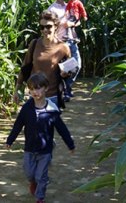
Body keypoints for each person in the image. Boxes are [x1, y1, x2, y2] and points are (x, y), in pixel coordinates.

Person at [6, 72, 75, 203]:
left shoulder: (52, 110)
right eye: (31, 89)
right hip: (29, 149)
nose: (35, 92)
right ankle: (33, 182)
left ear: (46, 88)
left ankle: (40, 198)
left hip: (45, 150)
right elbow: (18, 125)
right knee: (29, 173)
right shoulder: (26, 109)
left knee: (41, 176)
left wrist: (70, 144)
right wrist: (10, 140)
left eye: (38, 88)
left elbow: (62, 129)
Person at [13, 10, 71, 108]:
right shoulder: (34, 44)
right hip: (34, 95)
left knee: (49, 123)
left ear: (56, 26)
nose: (45, 30)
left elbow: (70, 70)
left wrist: (65, 74)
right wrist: (17, 90)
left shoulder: (63, 47)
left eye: (48, 26)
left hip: (53, 97)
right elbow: (24, 67)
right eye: (42, 27)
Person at [48, 0, 82, 102]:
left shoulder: (71, 5)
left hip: (71, 40)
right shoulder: (51, 9)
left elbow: (78, 21)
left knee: (77, 65)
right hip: (60, 42)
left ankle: (67, 86)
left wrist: (71, 24)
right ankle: (64, 91)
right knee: (63, 69)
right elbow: (49, 27)